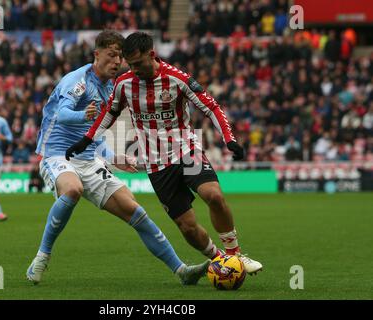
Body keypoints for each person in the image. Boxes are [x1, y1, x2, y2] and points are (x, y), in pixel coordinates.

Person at [66, 31, 263, 274]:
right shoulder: (124, 83)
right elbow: (110, 113)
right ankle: (219, 259)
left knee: (213, 196)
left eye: (139, 63)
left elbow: (211, 106)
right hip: (156, 164)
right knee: (187, 228)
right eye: (131, 64)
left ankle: (235, 255)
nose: (134, 69)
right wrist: (86, 140)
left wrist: (229, 139)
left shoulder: (177, 78)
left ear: (152, 54)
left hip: (186, 150)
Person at [26, 30, 210, 285]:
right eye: (111, 55)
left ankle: (181, 271)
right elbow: (62, 114)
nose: (116, 62)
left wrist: (114, 157)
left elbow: (95, 135)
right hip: (57, 155)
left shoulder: (112, 87)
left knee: (135, 210)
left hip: (89, 159)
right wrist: (84, 115)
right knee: (72, 190)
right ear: (97, 54)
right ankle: (42, 256)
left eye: (120, 57)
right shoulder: (77, 80)